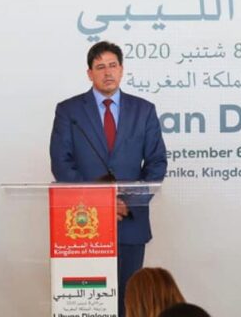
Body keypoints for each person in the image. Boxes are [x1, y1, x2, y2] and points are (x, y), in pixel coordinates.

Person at [50, 41, 167, 316]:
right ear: (89, 73)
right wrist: (99, 203)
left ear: (122, 69)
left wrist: (128, 202)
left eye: (113, 65)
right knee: (88, 300)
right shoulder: (69, 111)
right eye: (100, 67)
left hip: (130, 222)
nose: (108, 72)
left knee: (128, 302)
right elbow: (61, 163)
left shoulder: (144, 110)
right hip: (83, 223)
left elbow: (156, 162)